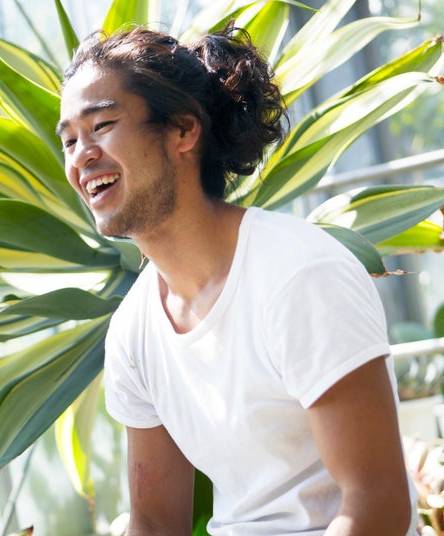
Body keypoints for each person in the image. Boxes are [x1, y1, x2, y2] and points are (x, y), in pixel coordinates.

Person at [57, 22, 418, 535]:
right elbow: (155, 524)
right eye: (69, 140)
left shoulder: (299, 277)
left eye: (102, 125)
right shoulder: (134, 332)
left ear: (183, 131)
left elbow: (377, 503)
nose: (81, 155)